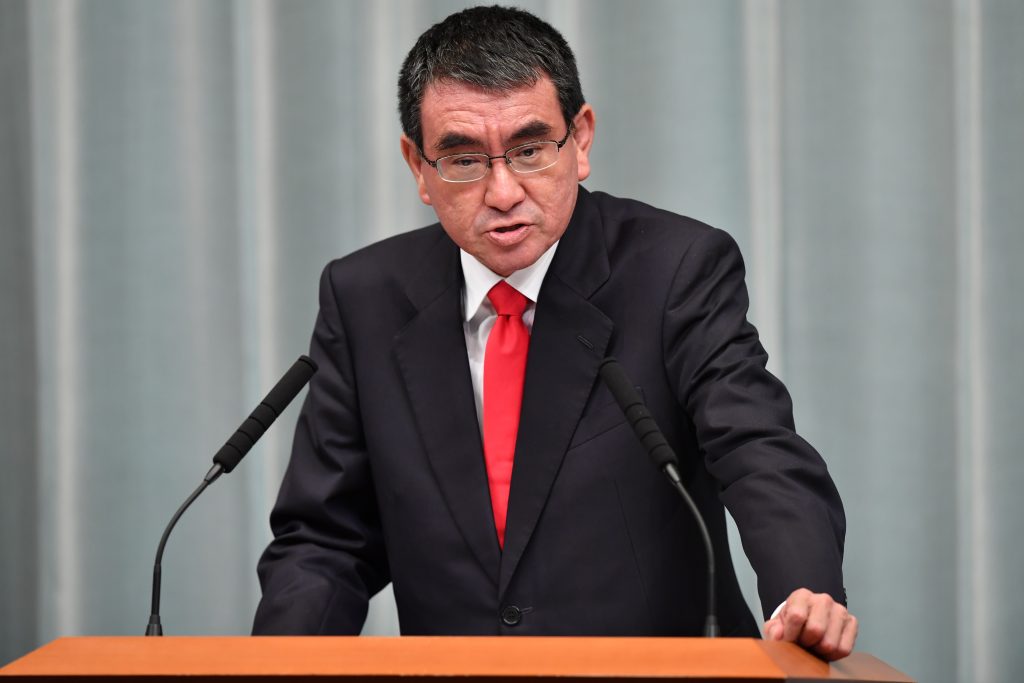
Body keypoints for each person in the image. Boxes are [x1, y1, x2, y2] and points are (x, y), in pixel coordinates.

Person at [253, 5, 858, 660]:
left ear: (582, 139)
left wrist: (804, 591)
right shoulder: (365, 297)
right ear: (418, 168)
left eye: (530, 149)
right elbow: (325, 538)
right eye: (463, 159)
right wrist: (280, 664)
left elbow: (758, 450)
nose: (503, 190)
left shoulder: (675, 270)